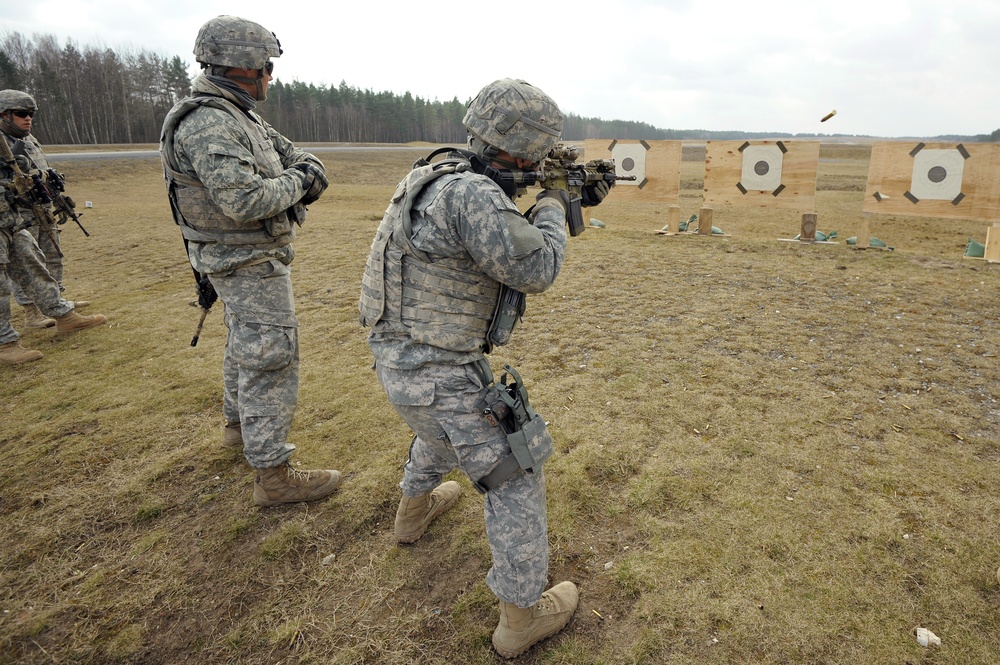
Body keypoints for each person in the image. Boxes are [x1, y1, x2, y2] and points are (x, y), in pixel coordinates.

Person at [359, 78, 609, 658]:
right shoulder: (473, 195)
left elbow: (493, 234)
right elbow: (537, 267)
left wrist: (561, 193)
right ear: (524, 148)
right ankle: (521, 620)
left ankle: (411, 515)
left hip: (399, 365)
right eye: (542, 152)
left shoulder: (434, 173)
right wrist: (553, 201)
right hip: (440, 371)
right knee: (515, 473)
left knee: (440, 432)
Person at [159, 15, 338, 507]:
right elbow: (246, 201)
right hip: (244, 259)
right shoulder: (210, 122)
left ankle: (238, 429)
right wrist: (303, 181)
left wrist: (304, 170)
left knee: (245, 343)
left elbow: (295, 154)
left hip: (246, 256)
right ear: (244, 66)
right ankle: (273, 475)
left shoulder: (238, 114)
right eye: (267, 66)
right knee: (270, 358)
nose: (270, 76)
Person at [0, 97, 108, 364]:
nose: (28, 118)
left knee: (33, 261)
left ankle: (63, 315)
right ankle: (4, 343)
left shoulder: (17, 142)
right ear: (4, 115)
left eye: (31, 114)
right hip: (6, 214)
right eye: (21, 113)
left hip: (10, 220)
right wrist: (12, 191)